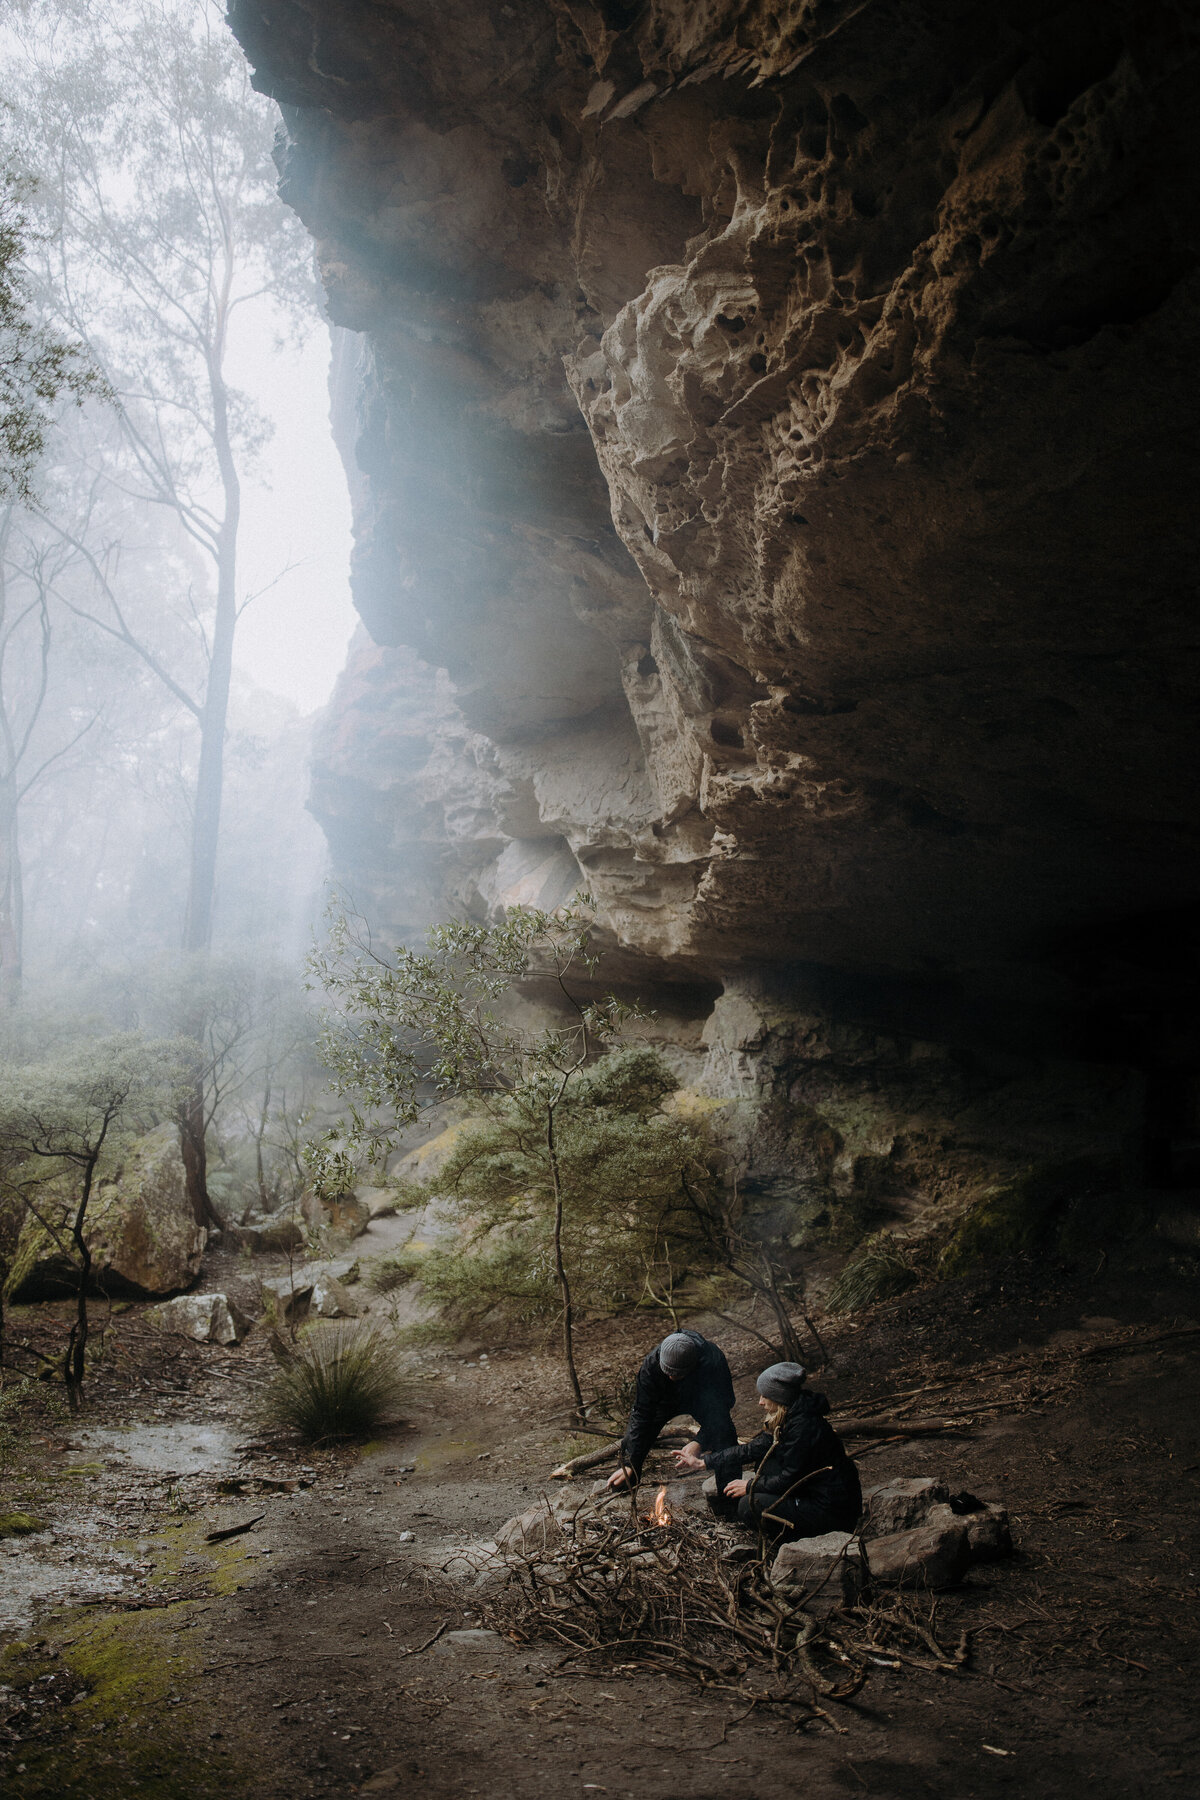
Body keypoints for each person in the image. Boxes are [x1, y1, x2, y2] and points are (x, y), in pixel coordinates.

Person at [677, 1360, 860, 1541]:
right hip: (814, 1493)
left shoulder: (803, 1429)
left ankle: (791, 1542)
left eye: (764, 1396)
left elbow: (789, 1480)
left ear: (779, 1397)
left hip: (831, 1511)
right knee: (766, 1464)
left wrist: (749, 1486)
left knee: (748, 1507)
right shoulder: (791, 1416)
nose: (760, 1402)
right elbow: (753, 1449)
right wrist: (706, 1462)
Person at [607, 1329, 738, 1489]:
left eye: (677, 1374)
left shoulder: (712, 1360)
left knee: (725, 1434)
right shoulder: (650, 1366)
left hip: (702, 1400)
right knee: (632, 1443)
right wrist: (629, 1462)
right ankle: (626, 1496)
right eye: (667, 1372)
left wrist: (700, 1441)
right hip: (665, 1400)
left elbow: (723, 1407)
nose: (671, 1377)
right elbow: (642, 1414)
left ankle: (731, 1498)